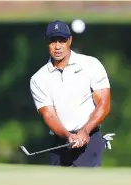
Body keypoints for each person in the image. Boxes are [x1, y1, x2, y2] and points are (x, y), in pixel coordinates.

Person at [30, 20, 114, 167]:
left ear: (70, 40)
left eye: (62, 40)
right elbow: (49, 115)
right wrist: (69, 136)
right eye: (52, 41)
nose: (57, 46)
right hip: (60, 142)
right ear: (46, 42)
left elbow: (104, 104)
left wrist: (85, 131)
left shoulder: (91, 64)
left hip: (90, 140)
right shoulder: (38, 79)